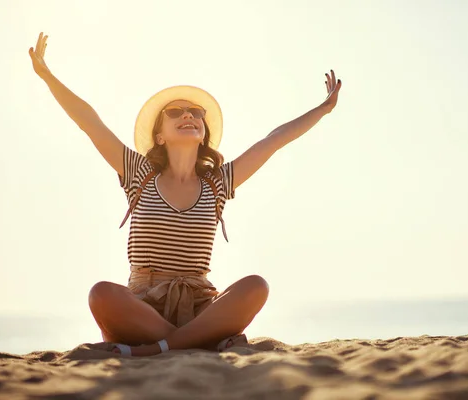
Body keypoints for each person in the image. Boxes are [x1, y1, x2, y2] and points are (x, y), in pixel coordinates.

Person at [28, 32, 342, 357]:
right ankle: (195, 341)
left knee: (255, 287)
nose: (187, 115)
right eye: (175, 112)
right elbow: (90, 122)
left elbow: (274, 139)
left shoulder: (218, 183)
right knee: (102, 295)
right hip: (143, 306)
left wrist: (323, 108)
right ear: (159, 137)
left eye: (195, 111)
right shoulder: (138, 173)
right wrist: (48, 77)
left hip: (199, 307)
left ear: (204, 132)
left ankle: (156, 348)